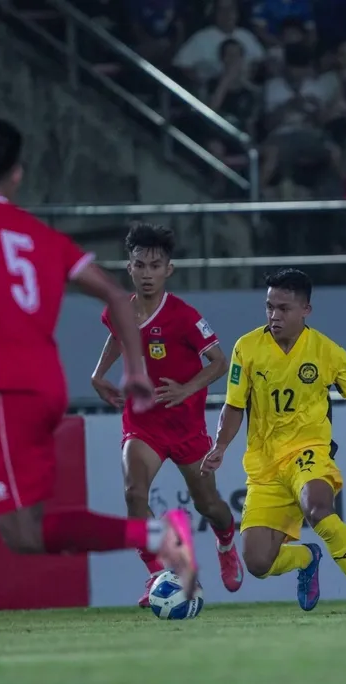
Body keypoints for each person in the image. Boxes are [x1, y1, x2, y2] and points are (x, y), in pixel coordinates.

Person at [0, 113, 195, 652]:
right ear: (17, 175)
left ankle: (160, 535)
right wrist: (135, 369)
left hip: (8, 390)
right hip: (42, 382)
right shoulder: (38, 235)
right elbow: (116, 296)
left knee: (24, 533)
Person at [201, 269, 346, 614]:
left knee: (318, 509)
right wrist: (220, 445)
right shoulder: (247, 348)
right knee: (258, 562)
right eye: (269, 307)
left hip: (308, 452)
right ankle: (308, 557)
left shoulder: (327, 352)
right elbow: (234, 405)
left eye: (283, 308)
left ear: (306, 309)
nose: (274, 316)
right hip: (264, 465)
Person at [91, 222, 244, 606]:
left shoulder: (184, 315)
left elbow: (219, 362)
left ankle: (226, 541)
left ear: (168, 270)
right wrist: (98, 374)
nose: (147, 273)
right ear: (129, 267)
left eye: (155, 266)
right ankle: (159, 574)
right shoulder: (120, 310)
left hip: (187, 426)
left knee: (208, 505)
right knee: (133, 494)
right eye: (140, 265)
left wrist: (186, 389)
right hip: (143, 423)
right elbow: (118, 336)